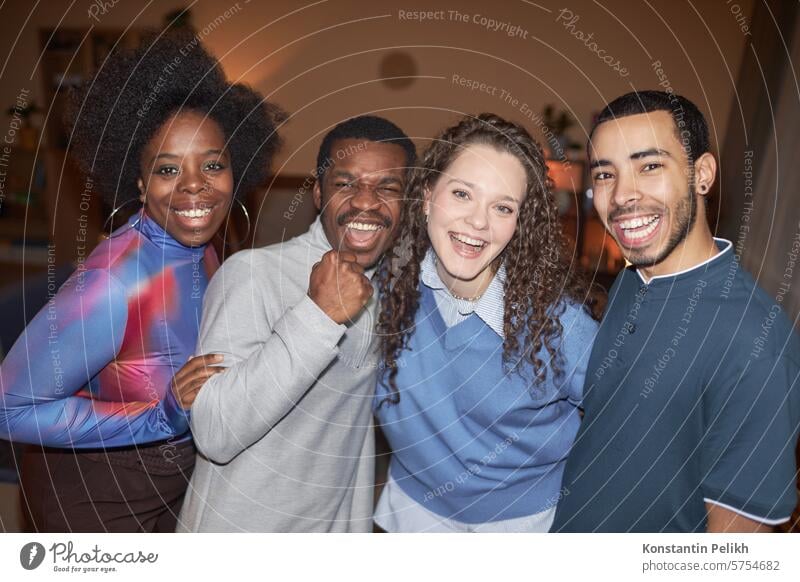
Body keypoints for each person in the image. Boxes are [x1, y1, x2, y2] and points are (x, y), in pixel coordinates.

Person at [0, 31, 283, 532]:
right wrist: (159, 416)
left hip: (176, 486)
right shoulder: (116, 283)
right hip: (95, 501)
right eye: (167, 169)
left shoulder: (204, 247)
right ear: (138, 181)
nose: (194, 185)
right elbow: (10, 409)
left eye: (212, 164)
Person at [551, 90, 800, 532]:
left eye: (650, 166)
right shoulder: (632, 278)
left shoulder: (756, 339)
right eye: (606, 174)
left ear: (701, 175)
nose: (623, 195)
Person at [174, 115, 415, 532]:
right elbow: (214, 432)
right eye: (345, 184)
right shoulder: (253, 274)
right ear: (319, 194)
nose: (364, 201)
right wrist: (317, 315)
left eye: (387, 187)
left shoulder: (393, 291)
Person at [373, 113, 599, 532]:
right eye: (461, 194)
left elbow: (631, 423)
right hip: (407, 517)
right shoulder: (385, 291)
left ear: (519, 223)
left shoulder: (560, 326)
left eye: (502, 207)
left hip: (521, 530)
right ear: (426, 197)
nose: (479, 221)